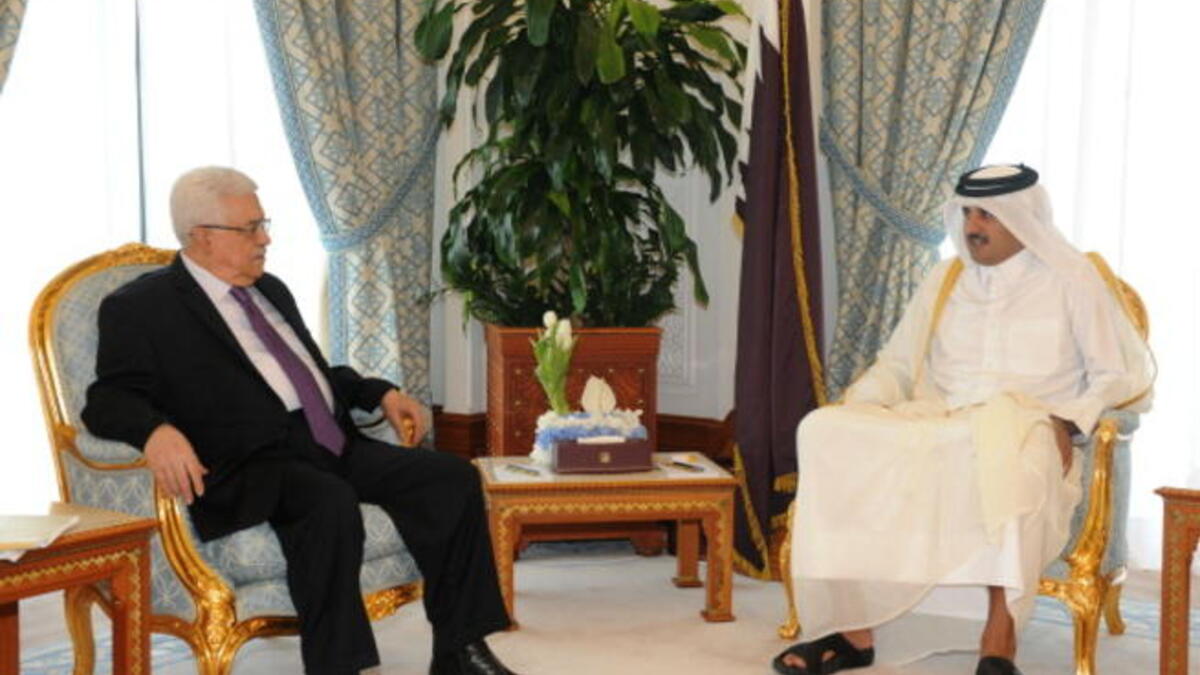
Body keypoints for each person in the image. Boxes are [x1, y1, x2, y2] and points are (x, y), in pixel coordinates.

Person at [82, 166, 518, 675]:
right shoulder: (142, 307)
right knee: (327, 504)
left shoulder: (271, 289)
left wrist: (379, 392)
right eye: (249, 228)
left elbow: (310, 373)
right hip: (252, 464)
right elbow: (107, 396)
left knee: (451, 478)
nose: (264, 239)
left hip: (329, 442)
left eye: (263, 224)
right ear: (201, 236)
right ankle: (338, 666)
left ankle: (461, 652)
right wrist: (155, 432)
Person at [772, 165, 1154, 675]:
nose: (974, 225)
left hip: (1030, 422)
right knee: (823, 430)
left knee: (1012, 458)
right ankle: (852, 630)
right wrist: (856, 407)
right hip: (940, 420)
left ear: (1025, 218)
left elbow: (1114, 374)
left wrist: (1069, 422)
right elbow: (899, 365)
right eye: (968, 212)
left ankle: (999, 642)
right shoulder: (945, 277)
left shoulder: (1072, 278)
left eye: (989, 215)